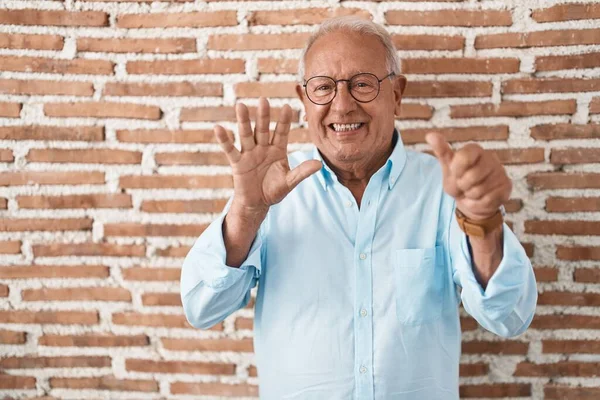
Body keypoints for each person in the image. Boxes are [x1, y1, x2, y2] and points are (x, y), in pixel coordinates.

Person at [181, 16, 537, 400]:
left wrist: (483, 221)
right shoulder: (269, 189)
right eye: (323, 88)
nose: (343, 105)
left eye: (362, 84)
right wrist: (246, 213)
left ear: (397, 94)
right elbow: (202, 307)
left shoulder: (446, 188)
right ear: (304, 100)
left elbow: (509, 316)